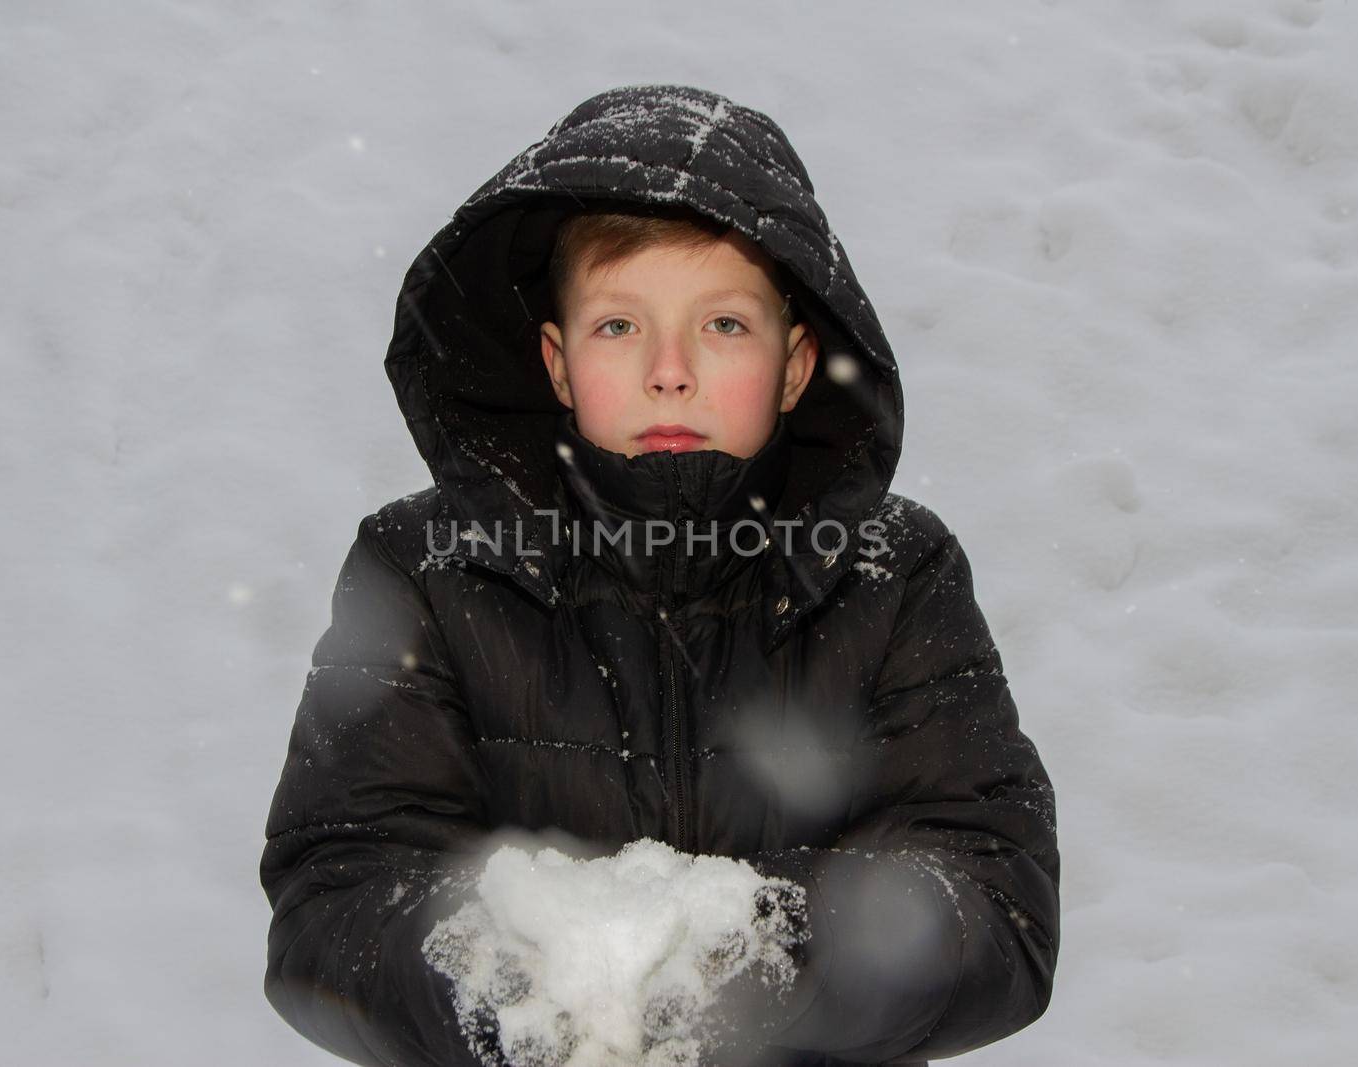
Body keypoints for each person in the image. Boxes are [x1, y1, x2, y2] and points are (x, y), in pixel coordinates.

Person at [259, 83, 1060, 1067]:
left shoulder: (891, 574)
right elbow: (335, 891)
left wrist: (745, 964)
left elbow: (992, 892)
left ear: (796, 363)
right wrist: (529, 987)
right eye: (618, 326)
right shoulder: (427, 569)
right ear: (555, 362)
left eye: (722, 324)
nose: (669, 370)